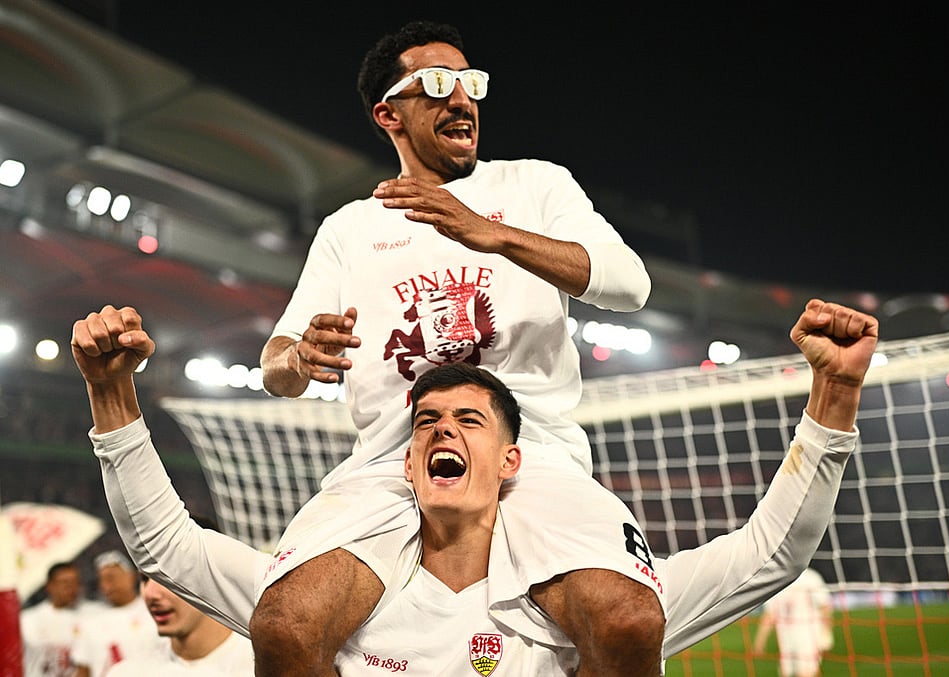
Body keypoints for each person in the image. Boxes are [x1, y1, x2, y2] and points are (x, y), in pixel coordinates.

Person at [73, 298, 878, 675]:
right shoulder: (329, 591)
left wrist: (832, 398)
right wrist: (112, 395)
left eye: (468, 420)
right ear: (407, 463)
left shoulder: (581, 605)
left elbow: (770, 554)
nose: (442, 431)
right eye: (425, 422)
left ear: (512, 462)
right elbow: (165, 544)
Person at [255, 19, 663, 675]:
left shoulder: (534, 187)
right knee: (284, 624)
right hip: (392, 465)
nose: (462, 99)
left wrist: (492, 234)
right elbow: (276, 364)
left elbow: (631, 284)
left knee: (628, 618)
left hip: (533, 456)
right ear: (388, 112)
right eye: (438, 83)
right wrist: (300, 357)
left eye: (471, 83)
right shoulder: (350, 229)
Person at [105, 518, 253, 676]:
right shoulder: (128, 673)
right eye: (145, 579)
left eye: (167, 576)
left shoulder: (267, 666)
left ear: (213, 574)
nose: (150, 594)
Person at [69, 551, 163, 677]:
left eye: (111, 578)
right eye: (102, 580)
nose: (106, 586)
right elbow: (83, 671)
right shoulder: (91, 623)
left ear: (131, 576)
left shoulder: (156, 610)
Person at [20, 561, 102, 677]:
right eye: (65, 583)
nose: (71, 588)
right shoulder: (28, 620)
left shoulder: (96, 614)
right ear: (49, 586)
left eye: (75, 582)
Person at [753, 567, 834, 677]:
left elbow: (825, 606)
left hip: (808, 637)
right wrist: (760, 640)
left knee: (805, 673)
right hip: (787, 639)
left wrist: (826, 631)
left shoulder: (809, 577)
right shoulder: (777, 580)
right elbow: (770, 614)